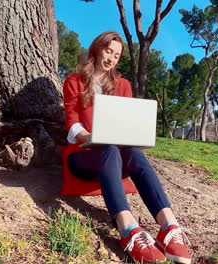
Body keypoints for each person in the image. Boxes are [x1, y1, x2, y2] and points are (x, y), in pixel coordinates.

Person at [62, 31, 192, 264]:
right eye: (108, 51)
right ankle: (127, 229)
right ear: (96, 49)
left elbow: (125, 124)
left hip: (115, 157)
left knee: (132, 151)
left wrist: (131, 135)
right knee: (108, 147)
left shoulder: (123, 85)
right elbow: (72, 124)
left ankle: (169, 226)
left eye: (117, 55)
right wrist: (91, 137)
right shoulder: (74, 81)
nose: (112, 58)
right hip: (82, 157)